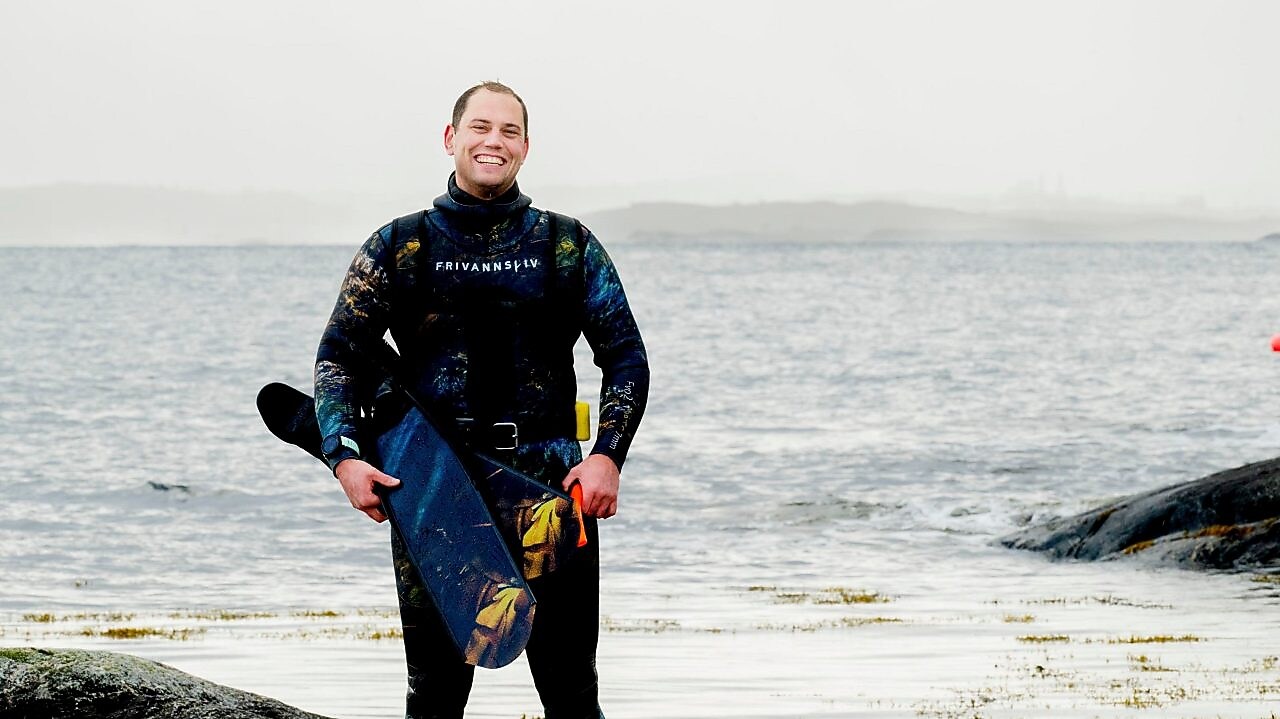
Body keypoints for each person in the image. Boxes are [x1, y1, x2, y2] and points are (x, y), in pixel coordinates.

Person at [313, 81, 649, 719]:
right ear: (451, 138)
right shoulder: (399, 246)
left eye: (509, 131)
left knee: (573, 694)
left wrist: (608, 456)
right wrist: (345, 457)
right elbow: (339, 358)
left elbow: (626, 356)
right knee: (435, 697)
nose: (494, 141)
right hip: (437, 486)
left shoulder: (567, 245)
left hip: (551, 487)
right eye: (480, 127)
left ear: (526, 147)